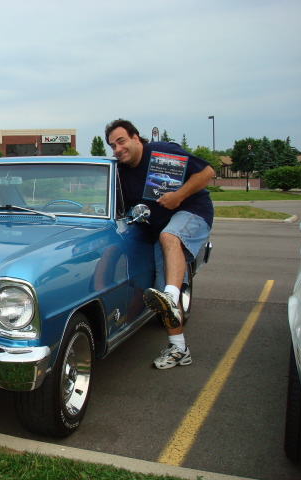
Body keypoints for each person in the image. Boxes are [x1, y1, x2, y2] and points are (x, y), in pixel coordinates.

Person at [105, 119, 214, 370]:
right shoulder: (119, 172)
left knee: (170, 239)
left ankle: (171, 294)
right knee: (161, 285)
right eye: (112, 146)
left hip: (192, 211)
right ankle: (179, 348)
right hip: (158, 227)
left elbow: (207, 172)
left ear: (136, 138)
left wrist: (178, 196)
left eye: (121, 141)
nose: (117, 149)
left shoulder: (163, 153)